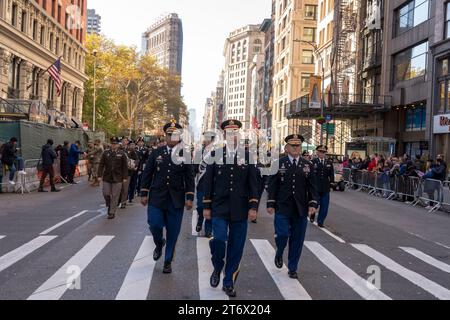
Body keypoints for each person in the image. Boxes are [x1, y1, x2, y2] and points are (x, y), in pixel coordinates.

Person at [202, 119, 259, 298]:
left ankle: (229, 282)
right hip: (219, 207)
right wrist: (206, 206)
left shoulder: (248, 156)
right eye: (229, 132)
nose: (233, 135)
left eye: (235, 132)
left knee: (236, 247)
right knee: (218, 239)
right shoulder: (215, 154)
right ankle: (217, 267)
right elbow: (208, 182)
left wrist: (253, 206)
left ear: (239, 135)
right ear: (224, 135)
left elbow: (253, 184)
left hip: (240, 208)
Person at [140, 121, 195, 275]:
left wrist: (189, 196)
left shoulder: (185, 154)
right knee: (154, 224)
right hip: (157, 197)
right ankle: (159, 243)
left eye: (175, 135)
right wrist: (144, 193)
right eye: (170, 134)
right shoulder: (156, 153)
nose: (172, 137)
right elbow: (147, 173)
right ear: (165, 136)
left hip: (176, 200)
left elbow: (189, 177)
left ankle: (168, 261)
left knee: (173, 232)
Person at [267, 134, 319, 279]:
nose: (296, 148)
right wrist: (270, 203)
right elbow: (272, 185)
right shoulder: (278, 163)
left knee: (297, 239)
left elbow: (313, 187)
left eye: (298, 146)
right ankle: (279, 251)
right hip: (282, 206)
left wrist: (313, 203)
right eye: (293, 145)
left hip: (300, 208)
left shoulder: (308, 165)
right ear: (286, 148)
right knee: (282, 234)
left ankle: (292, 267)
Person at [98, 137, 128, 219]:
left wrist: (125, 177)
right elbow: (101, 165)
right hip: (107, 177)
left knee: (115, 195)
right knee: (106, 193)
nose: (114, 145)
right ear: (110, 144)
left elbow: (125, 166)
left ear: (118, 145)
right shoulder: (106, 153)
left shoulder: (122, 153)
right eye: (113, 144)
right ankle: (110, 204)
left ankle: (112, 212)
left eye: (115, 144)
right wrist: (99, 175)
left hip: (118, 177)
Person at [194, 131, 216, 238]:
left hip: (212, 184)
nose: (205, 139)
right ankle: (200, 219)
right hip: (202, 183)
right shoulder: (199, 152)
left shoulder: (216, 153)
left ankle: (208, 230)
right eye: (205, 137)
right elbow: (194, 168)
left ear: (212, 140)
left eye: (208, 138)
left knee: (210, 206)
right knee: (200, 206)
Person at [311, 145, 334, 228]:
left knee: (324, 206)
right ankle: (312, 214)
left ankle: (320, 221)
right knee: (315, 204)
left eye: (323, 152)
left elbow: (331, 174)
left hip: (325, 187)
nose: (322, 153)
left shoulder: (329, 163)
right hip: (316, 187)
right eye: (320, 152)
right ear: (317, 152)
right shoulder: (313, 162)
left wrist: (331, 184)